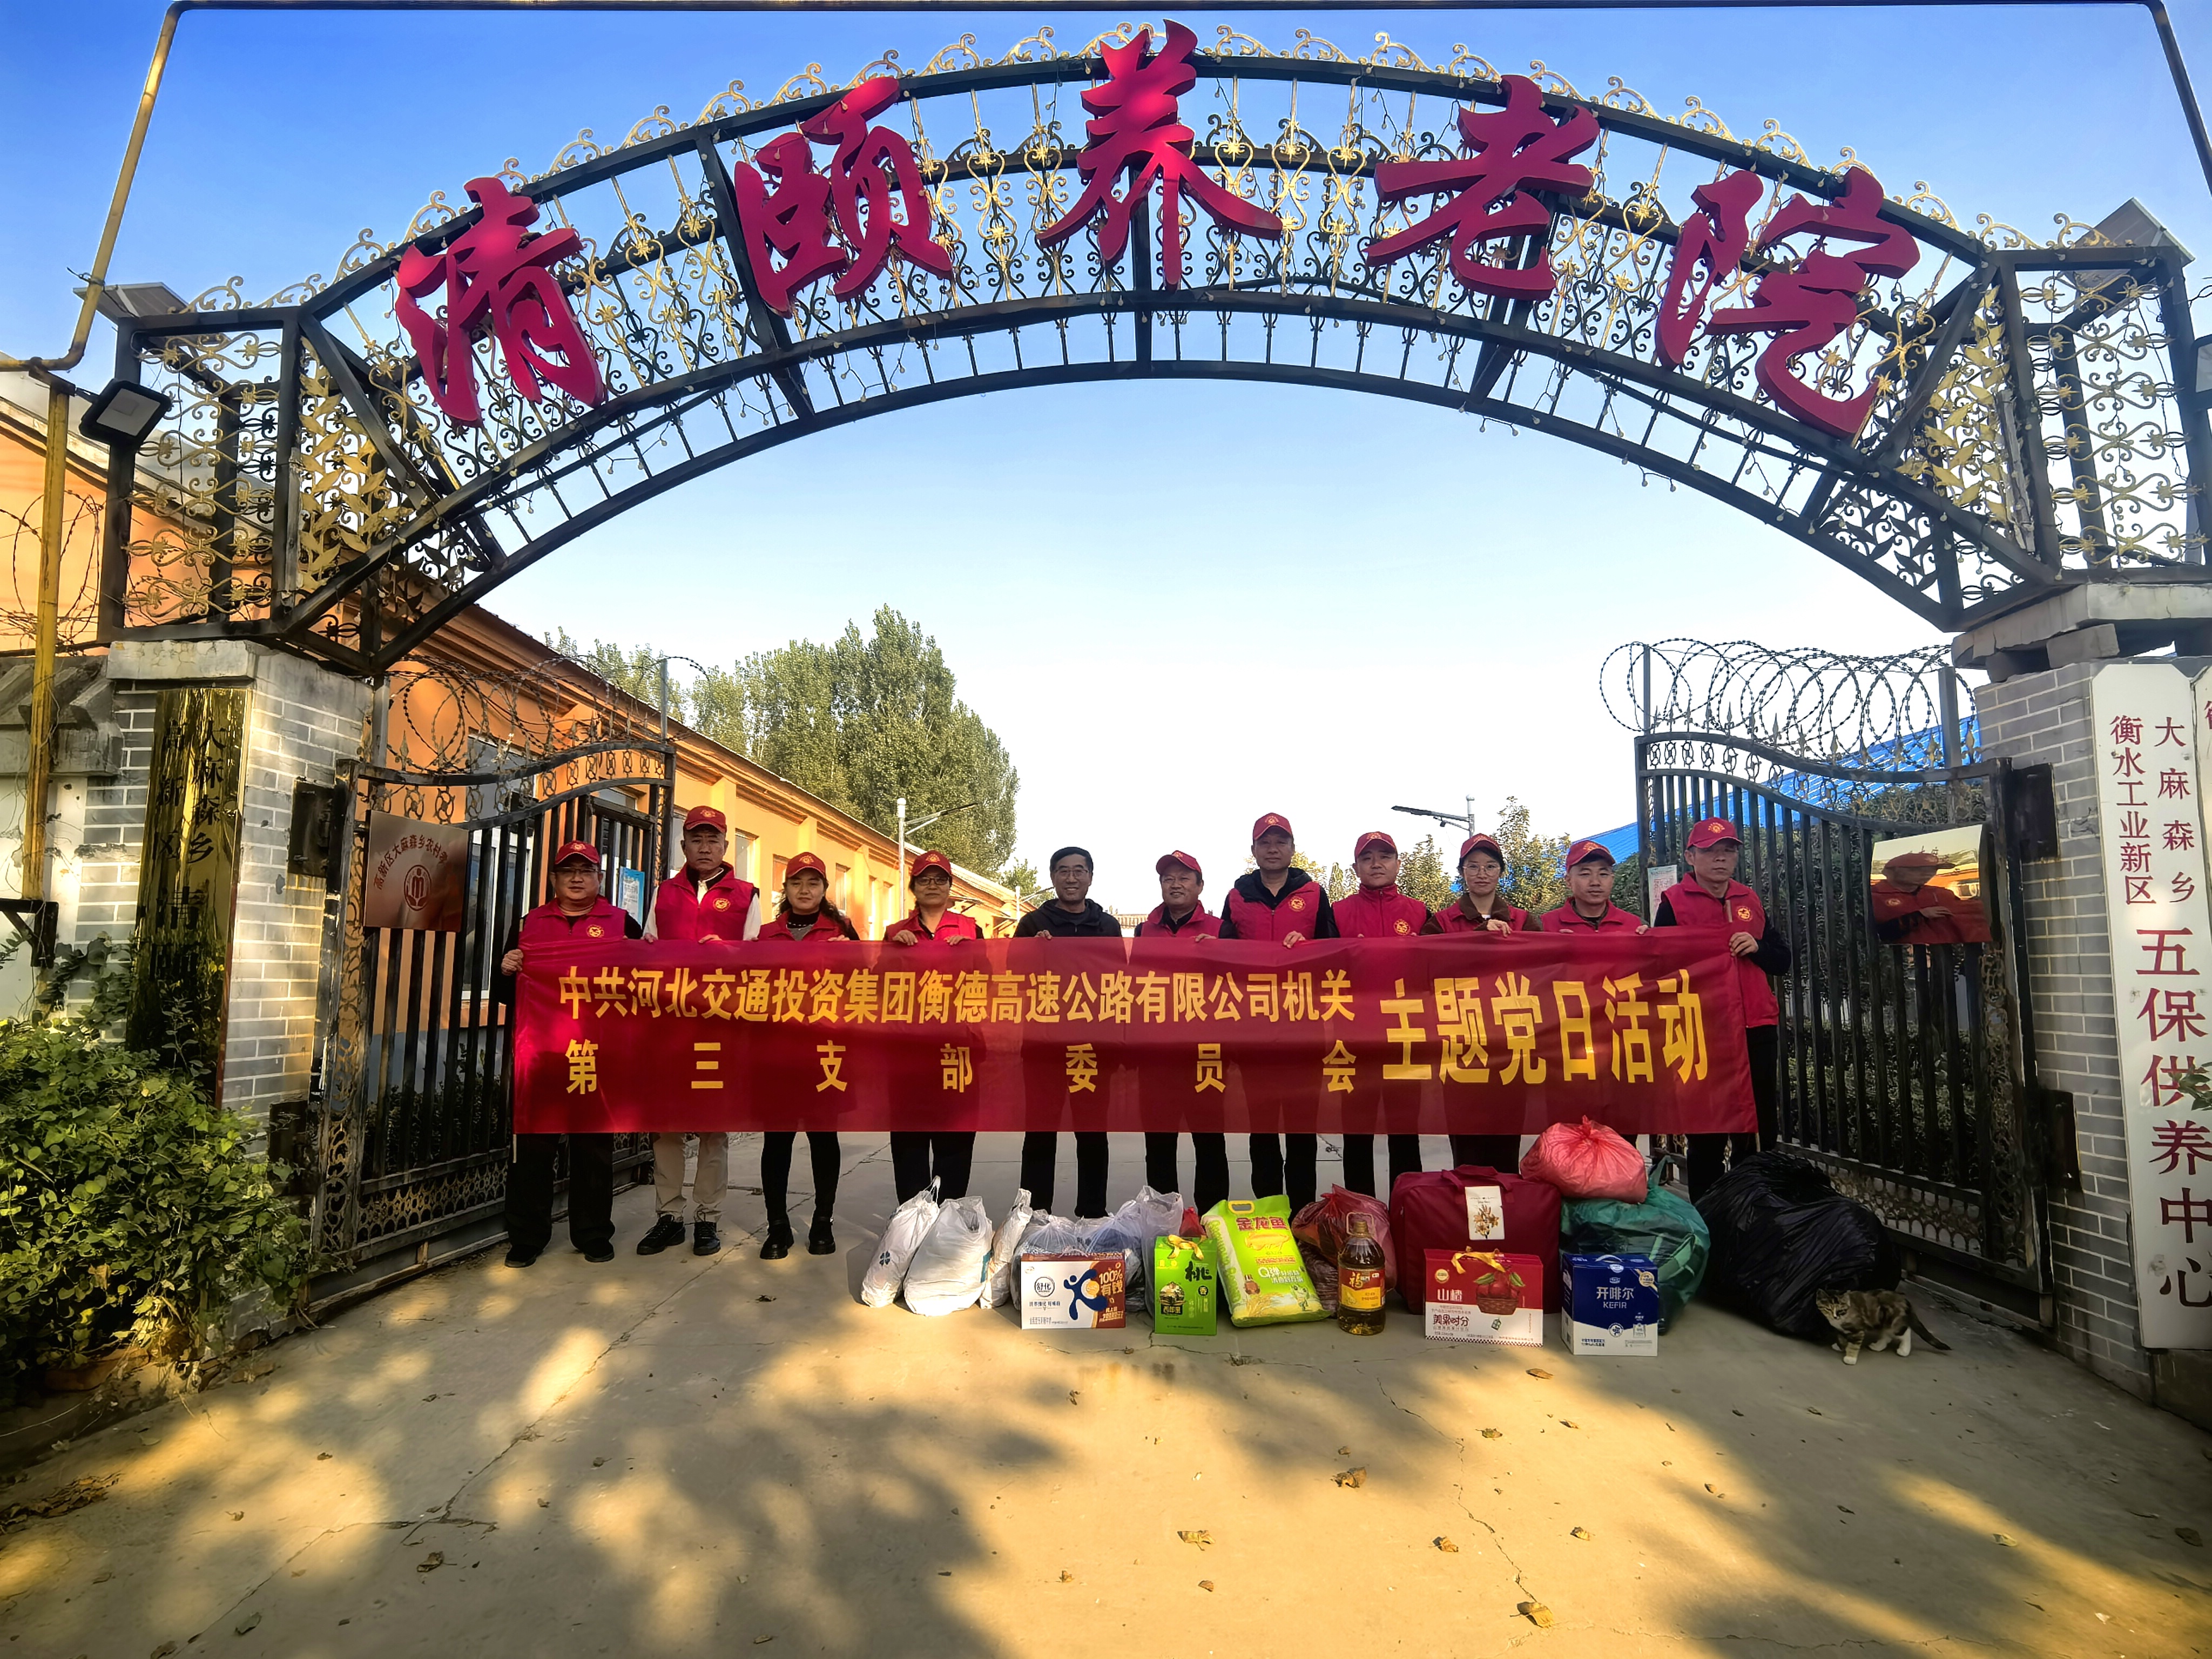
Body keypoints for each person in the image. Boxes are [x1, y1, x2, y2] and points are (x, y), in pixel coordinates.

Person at [494, 840, 639, 1267]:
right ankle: (527, 1237)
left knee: (593, 1147)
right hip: (540, 1055)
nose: (577, 878)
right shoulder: (529, 924)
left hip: (598, 1055)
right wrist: (507, 970)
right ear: (553, 878)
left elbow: (645, 987)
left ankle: (593, 1234)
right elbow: (506, 993)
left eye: (586, 870)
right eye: (568, 871)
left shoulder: (622, 924)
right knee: (533, 1148)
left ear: (599, 878)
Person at [636, 805, 761, 1259]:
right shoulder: (663, 892)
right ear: (683, 845)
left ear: (726, 845)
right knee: (665, 1123)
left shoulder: (746, 894)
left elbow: (759, 960)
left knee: (712, 1125)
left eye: (713, 839)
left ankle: (708, 1217)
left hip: (719, 1025)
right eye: (696, 839)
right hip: (669, 1026)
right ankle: (668, 1216)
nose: (705, 847)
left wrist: (727, 953)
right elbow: (645, 951)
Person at [1654, 817, 1791, 1201]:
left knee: (1758, 1128)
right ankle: (1708, 1212)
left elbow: (1782, 960)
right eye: (1711, 851)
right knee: (1708, 1129)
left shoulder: (1750, 900)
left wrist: (1757, 947)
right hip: (1704, 1030)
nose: (1720, 858)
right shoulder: (1674, 903)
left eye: (1728, 851)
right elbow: (1658, 966)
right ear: (1690, 857)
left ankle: (1754, 1207)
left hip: (1756, 1027)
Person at [1218, 813, 1338, 1209]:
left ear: (1292, 848)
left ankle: (1302, 1213)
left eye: (1281, 842)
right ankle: (1270, 1211)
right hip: (1253, 1032)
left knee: (1302, 1130)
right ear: (1253, 850)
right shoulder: (1237, 896)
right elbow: (1222, 959)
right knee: (1263, 1130)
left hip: (1303, 1030)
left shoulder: (1314, 894)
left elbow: (1336, 954)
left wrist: (1310, 946)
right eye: (1265, 843)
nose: (1273, 849)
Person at [1012, 845, 1122, 1217]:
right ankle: (1034, 1215)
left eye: (1079, 871)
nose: (1071, 878)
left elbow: (1119, 983)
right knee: (1040, 1133)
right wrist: (1033, 953)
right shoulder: (1032, 925)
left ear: (1090, 877)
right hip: (1044, 1047)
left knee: (1092, 1133)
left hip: (1093, 1046)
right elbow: (1012, 977)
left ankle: (1092, 1213)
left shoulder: (1107, 927)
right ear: (1053, 877)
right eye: (1063, 871)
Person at [755, 851, 855, 1259]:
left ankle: (822, 1222)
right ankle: (777, 1226)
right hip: (777, 1054)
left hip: (826, 1053)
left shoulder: (842, 932)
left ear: (825, 889)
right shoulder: (766, 935)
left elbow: (869, 986)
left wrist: (851, 955)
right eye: (797, 882)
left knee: (823, 1138)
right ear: (786, 888)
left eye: (813, 883)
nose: (805, 890)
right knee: (777, 1141)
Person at [1329, 830, 1438, 1202]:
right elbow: (1321, 970)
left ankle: (1407, 1212)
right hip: (1353, 1039)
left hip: (1405, 1038)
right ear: (1356, 867)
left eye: (1385, 856)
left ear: (1397, 863)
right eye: (1368, 858)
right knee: (1357, 1135)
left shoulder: (1420, 913)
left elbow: (1439, 972)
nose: (1376, 864)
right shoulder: (1337, 913)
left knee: (1405, 1134)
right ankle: (1361, 1218)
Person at [1436, 832, 1539, 1173]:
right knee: (1466, 1145)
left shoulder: (1524, 922)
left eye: (1490, 866)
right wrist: (1478, 938)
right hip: (1461, 1043)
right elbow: (1426, 969)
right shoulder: (1441, 923)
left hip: (1511, 1044)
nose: (1482, 873)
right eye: (1473, 866)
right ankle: (1468, 1206)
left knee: (1506, 1142)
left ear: (1501, 872)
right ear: (1462, 872)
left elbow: (1547, 973)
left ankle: (1507, 1203)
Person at [1133, 849, 1229, 1211]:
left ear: (1200, 886)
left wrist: (1220, 955)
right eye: (1168, 878)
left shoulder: (1221, 930)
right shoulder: (1144, 931)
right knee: (1159, 1143)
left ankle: (1213, 1217)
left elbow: (1240, 985)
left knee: (1210, 1142)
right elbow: (1131, 986)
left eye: (1184, 878)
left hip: (1206, 1052)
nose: (1175, 884)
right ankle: (1163, 1217)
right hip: (1158, 1055)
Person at [886, 850, 981, 1203]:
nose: (932, 886)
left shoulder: (971, 930)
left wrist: (972, 955)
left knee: (955, 1138)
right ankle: (913, 1218)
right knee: (909, 1140)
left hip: (958, 1049)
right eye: (924, 880)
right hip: (908, 1054)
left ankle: (948, 1216)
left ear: (950, 886)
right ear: (913, 887)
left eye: (940, 880)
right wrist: (893, 953)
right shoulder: (895, 933)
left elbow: (992, 984)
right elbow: (878, 990)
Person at [1539, 840, 1651, 935]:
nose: (1595, 882)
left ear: (1612, 879)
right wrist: (1554, 947)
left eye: (1603, 874)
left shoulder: (1636, 926)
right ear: (1569, 881)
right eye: (1585, 874)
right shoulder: (1544, 926)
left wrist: (1649, 940)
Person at [1872, 850, 1984, 944]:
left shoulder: (1942, 893)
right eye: (1919, 870)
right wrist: (1920, 916)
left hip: (1954, 956)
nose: (1928, 874)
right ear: (1892, 872)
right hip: (1909, 960)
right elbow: (1877, 935)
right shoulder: (1874, 896)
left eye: (1933, 869)